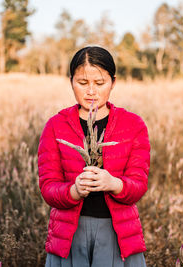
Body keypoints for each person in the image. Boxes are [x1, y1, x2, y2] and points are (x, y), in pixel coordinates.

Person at [38, 46, 150, 267]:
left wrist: (113, 183)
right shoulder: (55, 126)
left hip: (116, 235)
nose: (91, 91)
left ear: (113, 82)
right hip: (69, 236)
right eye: (82, 83)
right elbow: (48, 188)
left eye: (100, 83)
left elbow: (138, 185)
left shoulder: (133, 125)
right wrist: (74, 190)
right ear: (71, 82)